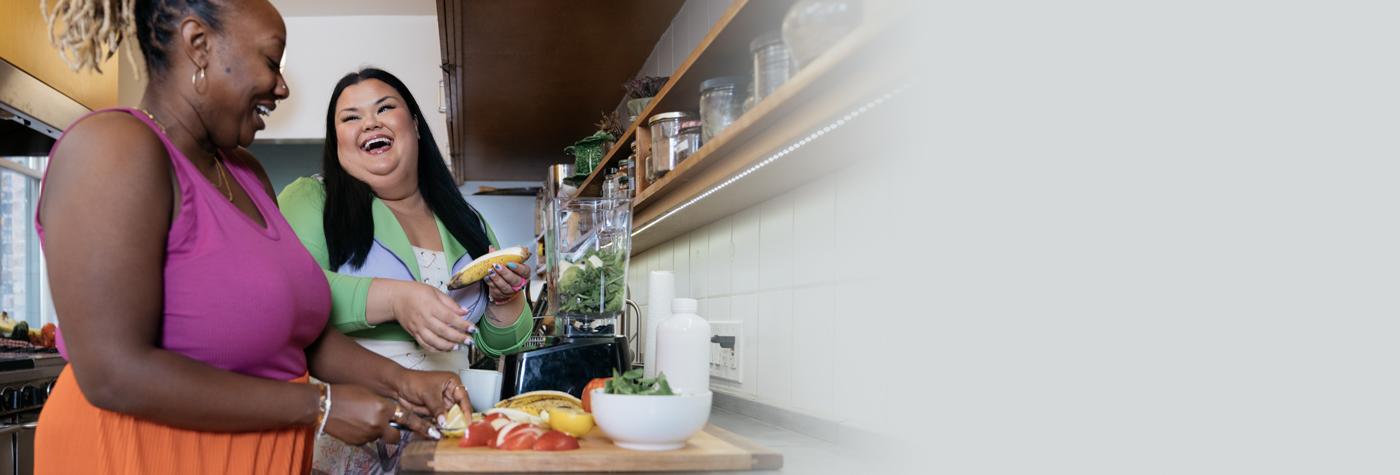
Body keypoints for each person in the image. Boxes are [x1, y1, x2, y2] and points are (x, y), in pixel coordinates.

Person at [33, 1, 467, 473]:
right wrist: (318, 405)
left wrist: (404, 383)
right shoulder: (114, 148)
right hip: (137, 456)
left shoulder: (244, 173)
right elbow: (113, 374)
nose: (281, 86)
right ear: (199, 45)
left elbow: (299, 338)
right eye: (270, 61)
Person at [278, 68, 533, 472]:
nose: (370, 123)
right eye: (351, 117)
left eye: (385, 108)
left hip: (447, 432)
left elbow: (499, 342)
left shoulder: (468, 221)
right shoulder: (312, 199)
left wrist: (506, 299)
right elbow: (293, 296)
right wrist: (397, 299)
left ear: (413, 124)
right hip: (355, 436)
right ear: (337, 139)